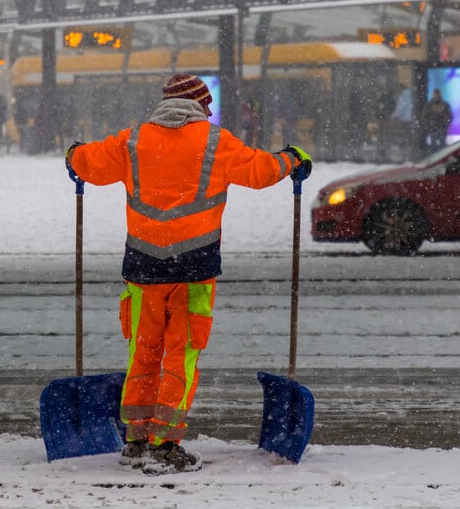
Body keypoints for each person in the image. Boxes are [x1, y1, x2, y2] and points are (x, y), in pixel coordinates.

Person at [65, 73, 311, 475]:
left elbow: (88, 162)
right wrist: (292, 159)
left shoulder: (132, 140)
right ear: (199, 105)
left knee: (142, 352)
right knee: (182, 354)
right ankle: (165, 444)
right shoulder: (216, 141)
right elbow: (261, 172)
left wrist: (73, 154)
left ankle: (137, 438)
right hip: (195, 267)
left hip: (142, 266)